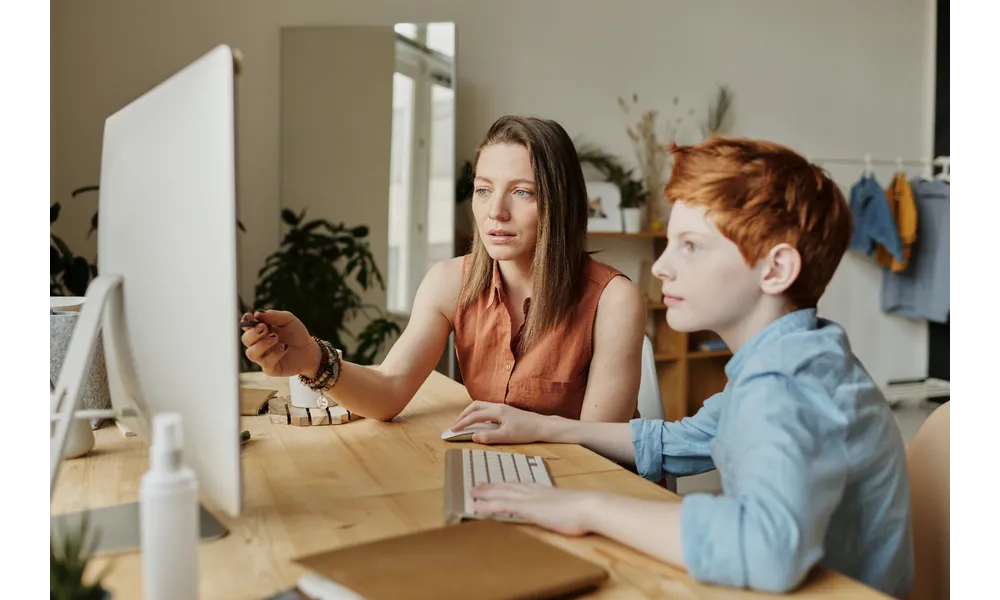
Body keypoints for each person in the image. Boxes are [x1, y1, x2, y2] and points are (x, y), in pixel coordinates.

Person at [451, 137, 915, 598]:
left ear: (775, 270)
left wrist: (587, 508)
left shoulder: (786, 381)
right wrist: (542, 426)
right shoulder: (793, 354)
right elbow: (680, 439)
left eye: (690, 246)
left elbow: (766, 549)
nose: (662, 267)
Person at [240, 115, 647, 423]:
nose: (495, 212)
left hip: (585, 490)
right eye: (484, 190)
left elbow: (599, 448)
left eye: (522, 192)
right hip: (502, 476)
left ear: (562, 204)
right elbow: (389, 391)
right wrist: (313, 359)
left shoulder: (614, 300)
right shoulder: (449, 281)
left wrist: (522, 431)